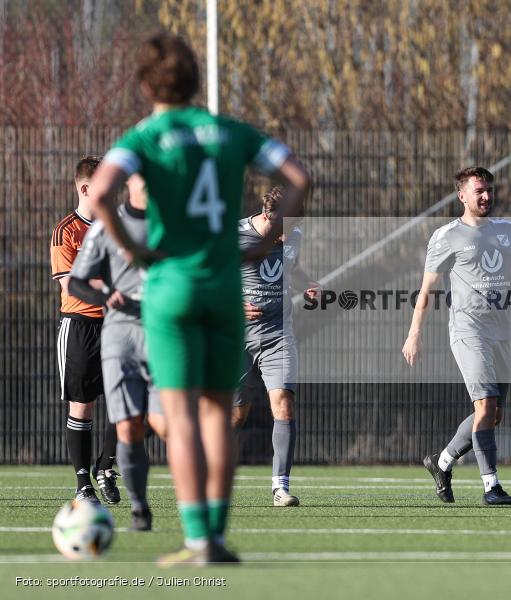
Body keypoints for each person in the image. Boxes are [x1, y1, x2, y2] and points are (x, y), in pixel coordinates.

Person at [87, 32, 310, 565]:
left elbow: (100, 194)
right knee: (217, 413)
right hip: (223, 288)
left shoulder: (144, 137)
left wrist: (135, 252)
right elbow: (299, 176)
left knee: (181, 415)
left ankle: (194, 536)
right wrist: (266, 243)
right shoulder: (231, 132)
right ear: (195, 80)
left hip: (171, 288)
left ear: (146, 86)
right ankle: (215, 538)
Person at [403, 166, 511, 505]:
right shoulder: (446, 236)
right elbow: (427, 289)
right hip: (468, 331)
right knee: (485, 405)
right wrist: (414, 333)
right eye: (479, 191)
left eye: (489, 190)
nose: (486, 196)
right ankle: (491, 487)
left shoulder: (507, 230)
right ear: (462, 195)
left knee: (493, 414)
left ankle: (441, 462)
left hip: (502, 333)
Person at [68, 173, 167, 531]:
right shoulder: (106, 226)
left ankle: (200, 516)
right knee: (125, 425)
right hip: (120, 335)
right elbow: (76, 282)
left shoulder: (176, 225)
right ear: (132, 182)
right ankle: (140, 509)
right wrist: (105, 296)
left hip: (164, 333)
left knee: (163, 424)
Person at [233, 186, 318, 507]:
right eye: (282, 229)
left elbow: (291, 270)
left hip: (278, 335)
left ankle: (280, 487)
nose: (286, 236)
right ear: (267, 216)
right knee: (236, 416)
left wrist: (308, 285)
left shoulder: (293, 235)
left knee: (283, 402)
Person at [50, 155, 121, 506]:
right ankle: (83, 485)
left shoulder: (118, 227)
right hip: (80, 326)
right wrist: (110, 289)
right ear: (86, 189)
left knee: (129, 400)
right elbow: (69, 285)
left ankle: (106, 466)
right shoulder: (66, 231)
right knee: (82, 405)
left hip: (119, 325)